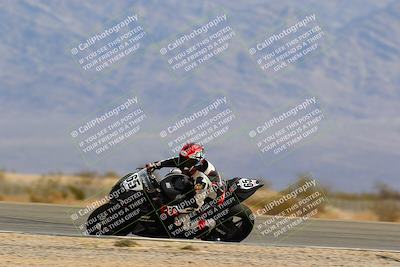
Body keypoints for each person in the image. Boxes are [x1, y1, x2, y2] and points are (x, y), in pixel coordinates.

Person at [146, 143, 223, 231]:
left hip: (209, 199)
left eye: (188, 162)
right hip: (196, 187)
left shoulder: (201, 180)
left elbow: (196, 204)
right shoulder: (190, 163)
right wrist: (155, 165)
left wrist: (176, 209)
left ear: (196, 162)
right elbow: (173, 161)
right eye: (183, 159)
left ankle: (209, 223)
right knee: (175, 173)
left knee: (179, 226)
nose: (184, 164)